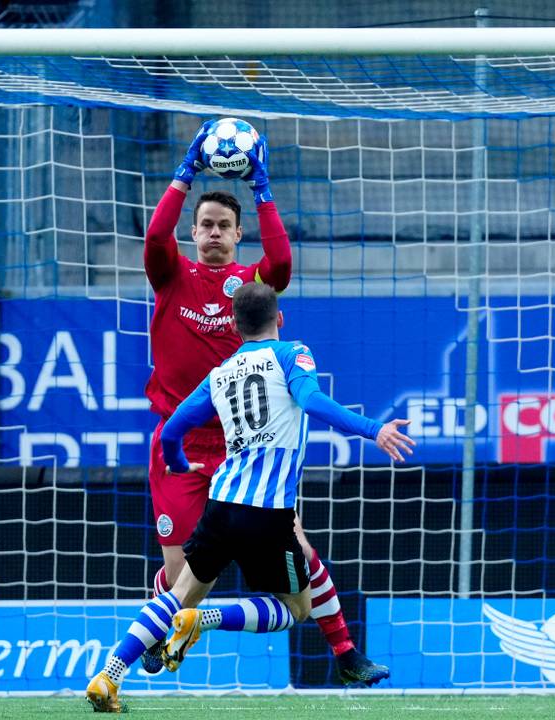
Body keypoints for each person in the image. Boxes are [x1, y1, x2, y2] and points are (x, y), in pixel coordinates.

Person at [87, 282, 415, 712]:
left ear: (236, 328)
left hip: (219, 504)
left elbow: (170, 431)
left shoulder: (219, 373)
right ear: (279, 319)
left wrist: (179, 464)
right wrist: (375, 429)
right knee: (295, 609)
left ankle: (109, 675)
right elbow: (311, 400)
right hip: (268, 512)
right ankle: (205, 619)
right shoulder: (291, 353)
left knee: (178, 591)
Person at [141, 120, 386, 684]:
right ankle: (163, 632)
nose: (213, 233)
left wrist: (263, 187)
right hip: (180, 443)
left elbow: (282, 264)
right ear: (195, 232)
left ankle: (346, 655)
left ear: (236, 234)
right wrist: (185, 175)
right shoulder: (171, 275)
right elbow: (156, 239)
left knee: (299, 547)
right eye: (205, 225)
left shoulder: (253, 285)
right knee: (179, 573)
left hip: (243, 444)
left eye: (224, 226)